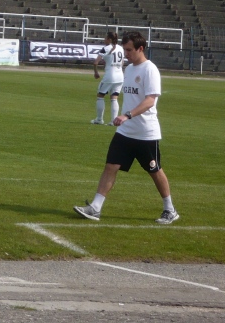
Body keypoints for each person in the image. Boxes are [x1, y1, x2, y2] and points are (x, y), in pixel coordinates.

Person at [74, 31, 179, 225]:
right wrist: (125, 119)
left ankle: (170, 209)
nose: (126, 54)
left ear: (141, 48)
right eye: (125, 50)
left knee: (155, 170)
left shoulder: (150, 69)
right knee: (111, 166)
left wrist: (127, 115)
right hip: (125, 131)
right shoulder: (129, 69)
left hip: (146, 133)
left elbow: (150, 101)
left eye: (129, 50)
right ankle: (95, 208)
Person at [91, 31, 124, 125]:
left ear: (109, 39)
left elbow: (95, 62)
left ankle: (99, 119)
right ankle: (114, 121)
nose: (104, 40)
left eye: (105, 38)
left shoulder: (105, 48)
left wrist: (96, 72)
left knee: (100, 96)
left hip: (110, 76)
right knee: (114, 97)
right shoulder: (120, 48)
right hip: (120, 76)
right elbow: (122, 62)